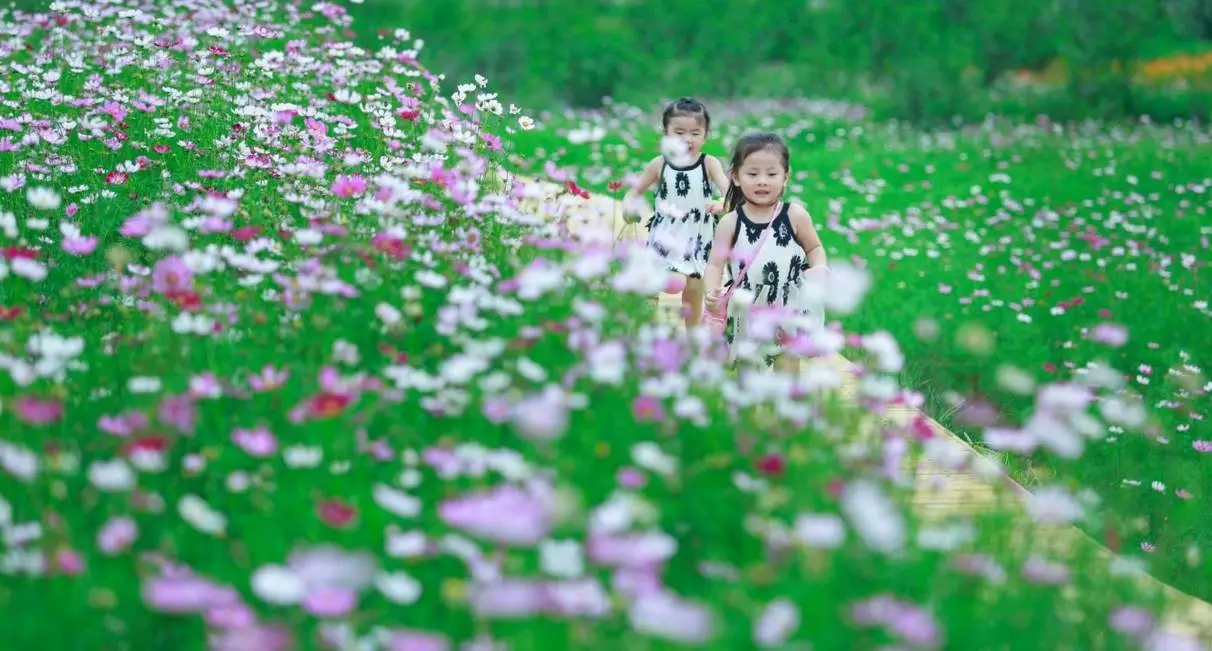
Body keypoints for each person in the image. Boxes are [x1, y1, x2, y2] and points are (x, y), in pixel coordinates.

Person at [703, 132, 828, 368]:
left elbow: (814, 247)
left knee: (787, 370)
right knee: (748, 371)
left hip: (788, 307)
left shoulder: (795, 216)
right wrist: (712, 293)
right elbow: (714, 264)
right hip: (746, 309)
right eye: (752, 174)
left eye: (772, 174)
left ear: (785, 177)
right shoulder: (731, 222)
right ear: (736, 177)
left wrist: (819, 268)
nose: (762, 181)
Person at [623, 97, 731, 327]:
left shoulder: (708, 164)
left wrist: (723, 203)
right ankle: (644, 326)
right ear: (666, 133)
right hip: (666, 234)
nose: (687, 139)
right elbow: (635, 190)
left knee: (693, 288)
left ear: (705, 134)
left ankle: (692, 336)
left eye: (695, 132)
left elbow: (730, 192)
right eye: (679, 132)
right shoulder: (659, 164)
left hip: (699, 236)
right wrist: (628, 207)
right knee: (659, 281)